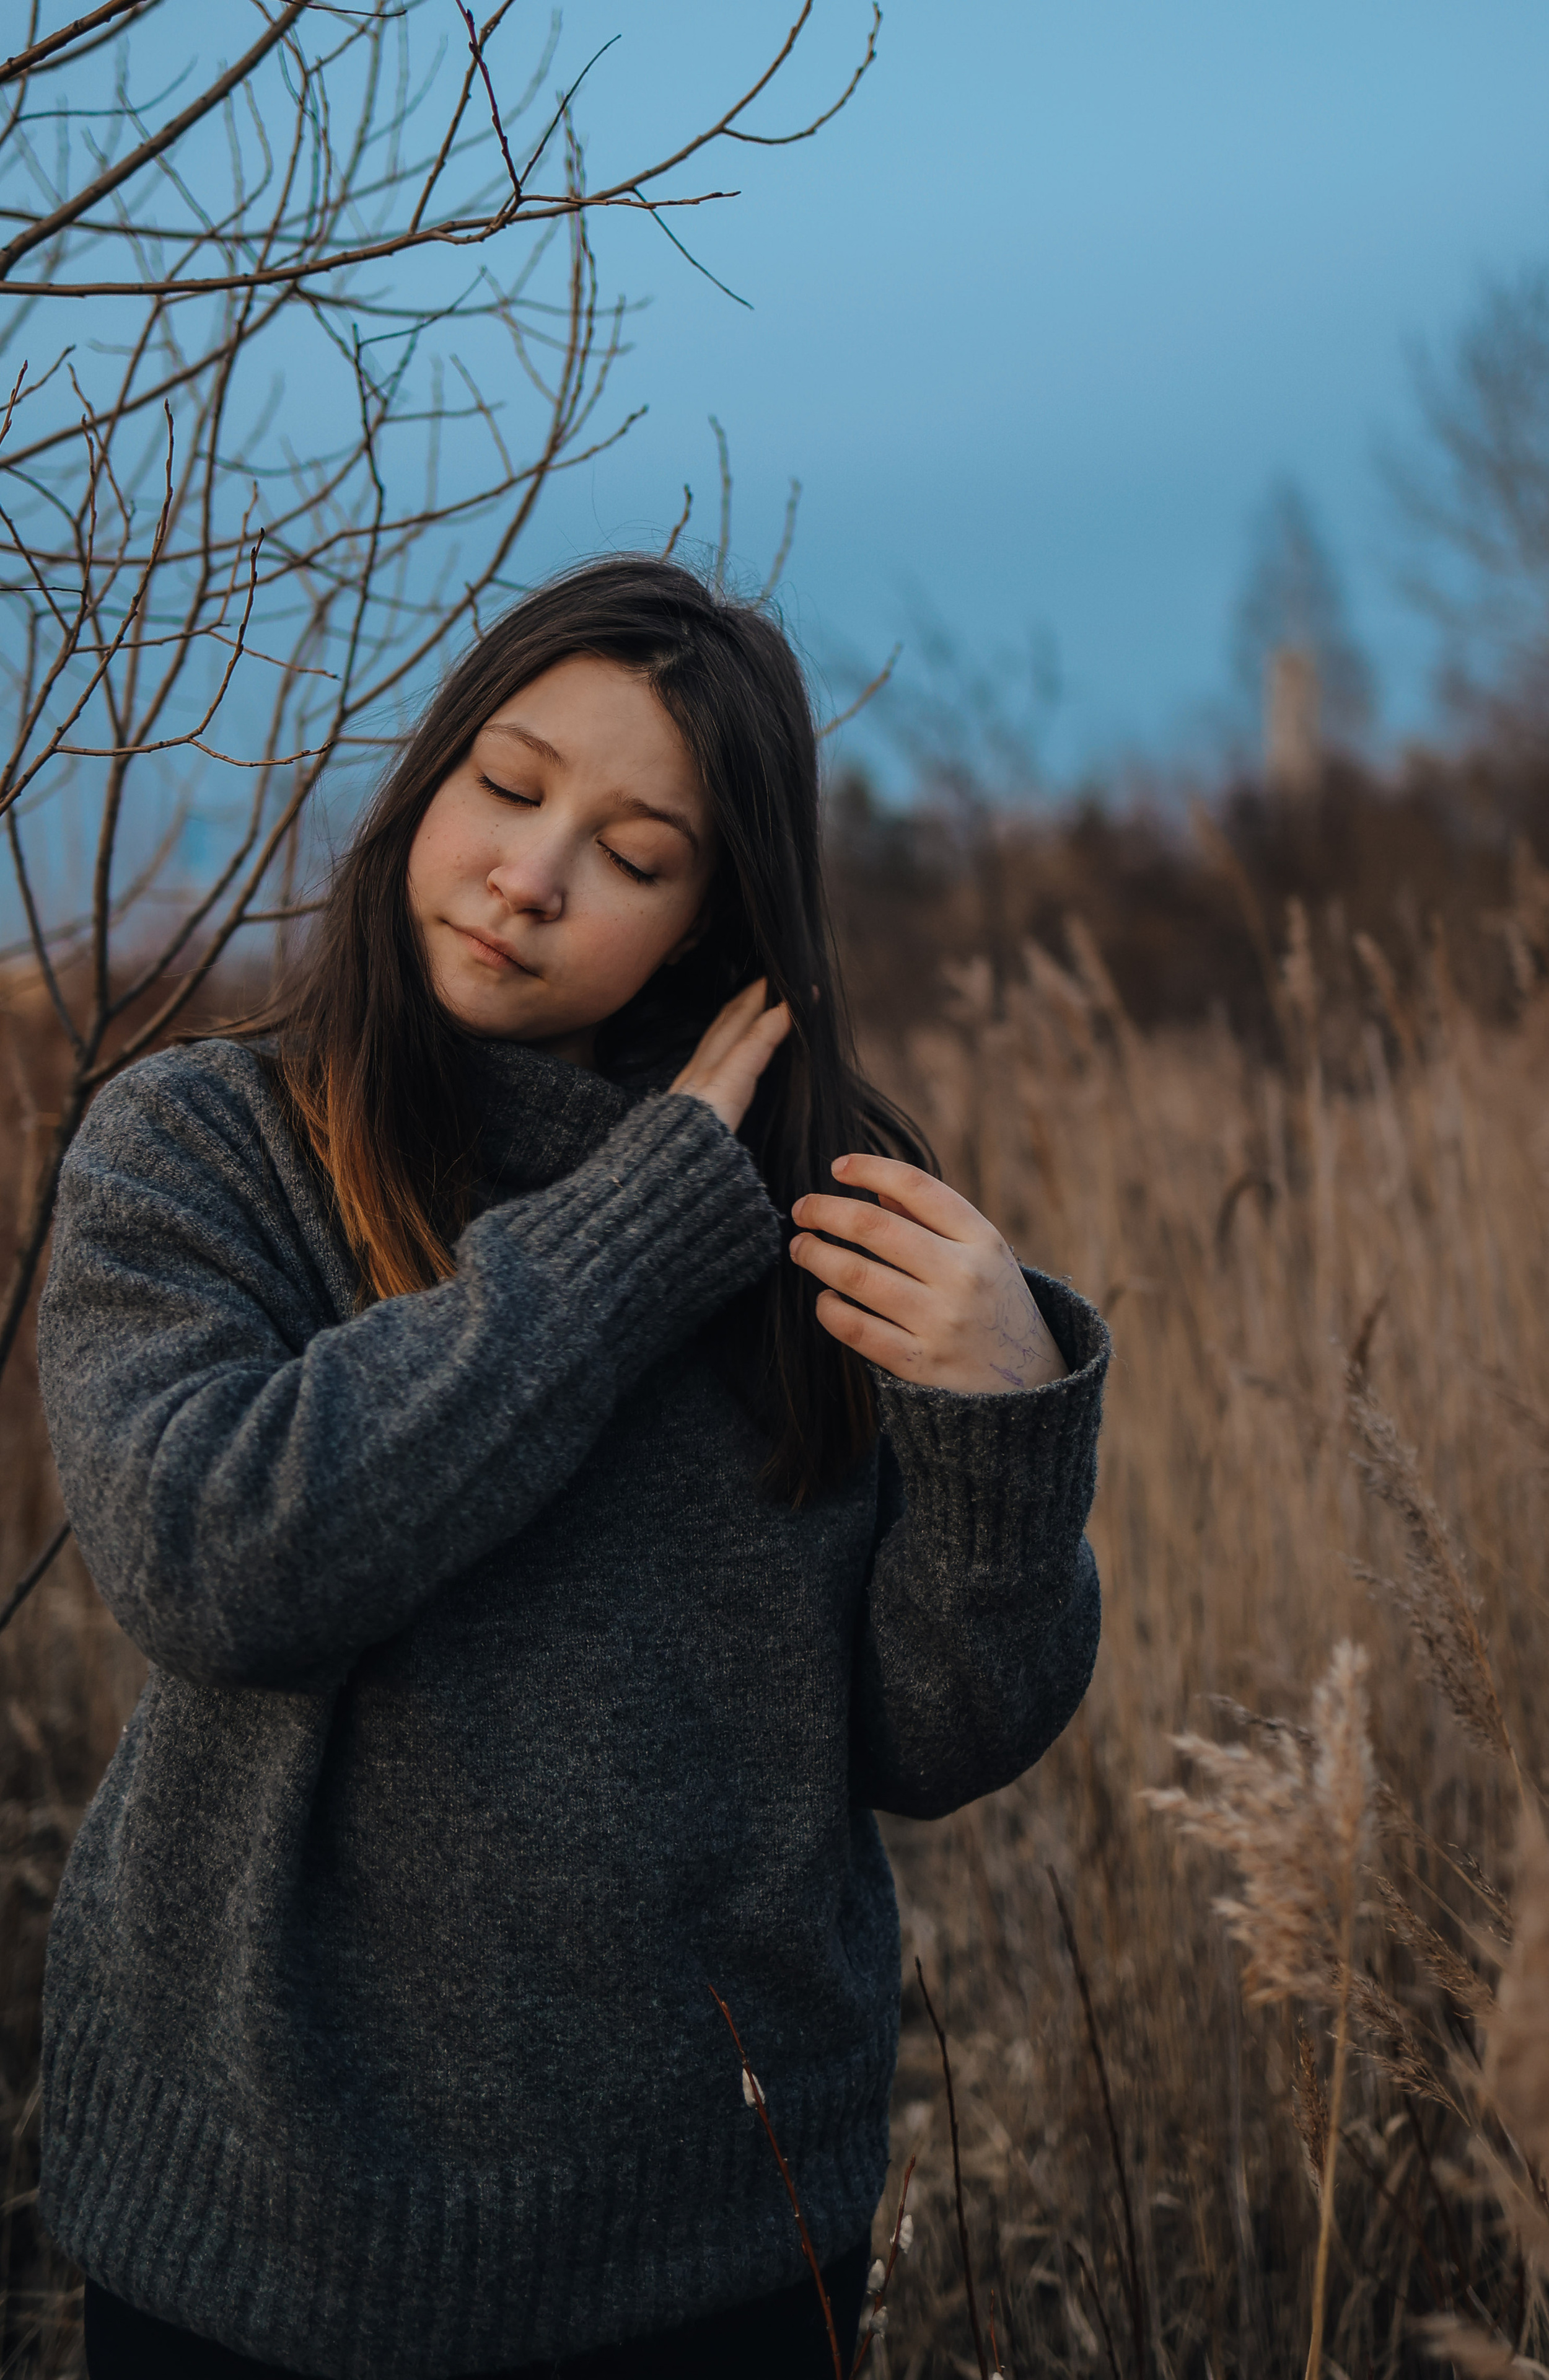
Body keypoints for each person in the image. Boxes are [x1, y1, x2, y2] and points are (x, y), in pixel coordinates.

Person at [35, 554, 1109, 2380]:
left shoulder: (825, 1203)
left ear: (707, 922)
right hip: (266, 2238)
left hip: (715, 2236)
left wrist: (1004, 1426)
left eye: (632, 853)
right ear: (429, 783)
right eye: (510, 788)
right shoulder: (207, 1145)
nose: (530, 877)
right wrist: (627, 1239)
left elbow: (934, 1741)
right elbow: (215, 1558)